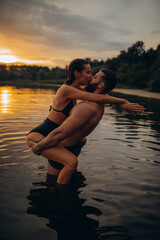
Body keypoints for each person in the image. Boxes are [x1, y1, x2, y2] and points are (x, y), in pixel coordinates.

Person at [28, 69, 144, 185]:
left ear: (101, 84)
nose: (90, 77)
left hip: (63, 147)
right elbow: (102, 97)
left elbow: (59, 134)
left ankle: (59, 197)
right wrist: (122, 103)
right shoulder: (98, 103)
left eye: (95, 77)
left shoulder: (86, 107)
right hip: (74, 145)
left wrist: (38, 147)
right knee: (63, 180)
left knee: (52, 184)